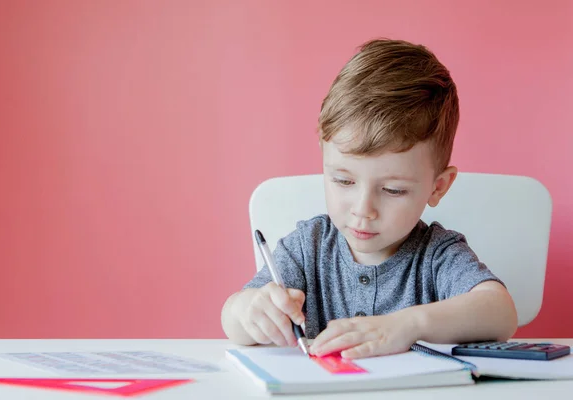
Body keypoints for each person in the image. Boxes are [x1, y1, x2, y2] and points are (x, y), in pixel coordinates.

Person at [221, 38, 518, 359]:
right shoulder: (307, 248)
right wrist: (248, 310)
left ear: (438, 187)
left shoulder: (437, 256)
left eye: (393, 190)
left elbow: (501, 313)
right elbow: (232, 321)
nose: (363, 210)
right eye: (343, 180)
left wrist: (407, 325)